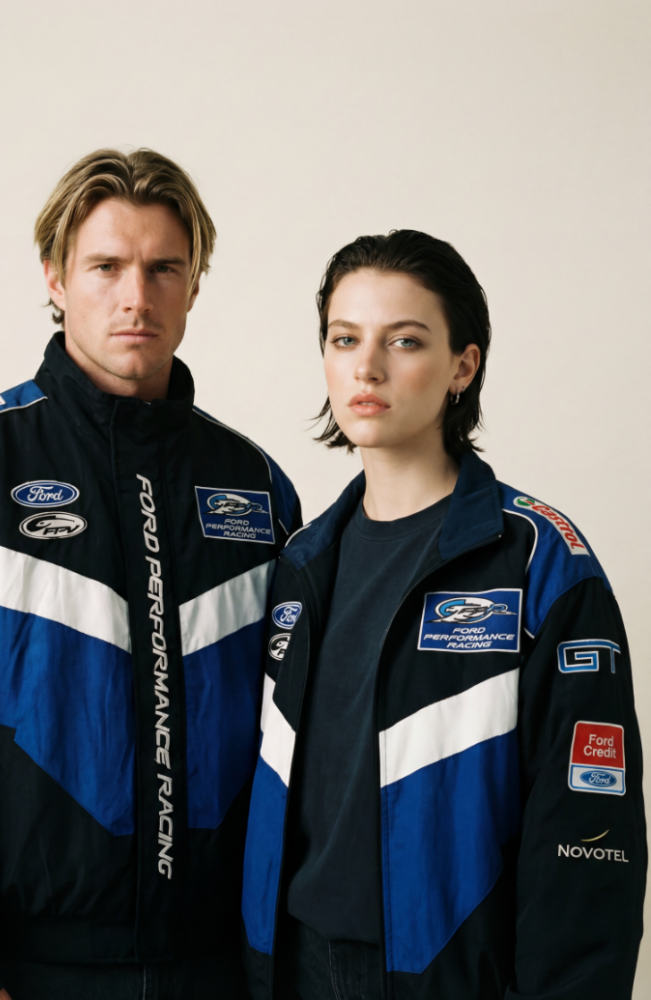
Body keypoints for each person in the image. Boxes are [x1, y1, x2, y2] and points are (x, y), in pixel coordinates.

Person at [0, 148, 301, 1000]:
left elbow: (299, 744)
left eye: (163, 268)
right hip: (26, 971)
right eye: (106, 266)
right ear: (56, 278)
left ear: (194, 285)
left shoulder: (257, 488)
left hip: (222, 966)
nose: (136, 296)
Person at [241, 231, 645, 1000]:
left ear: (463, 365)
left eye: (404, 340)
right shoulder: (298, 565)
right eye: (344, 339)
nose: (366, 367)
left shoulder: (538, 563)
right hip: (294, 969)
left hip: (450, 977)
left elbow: (588, 836)